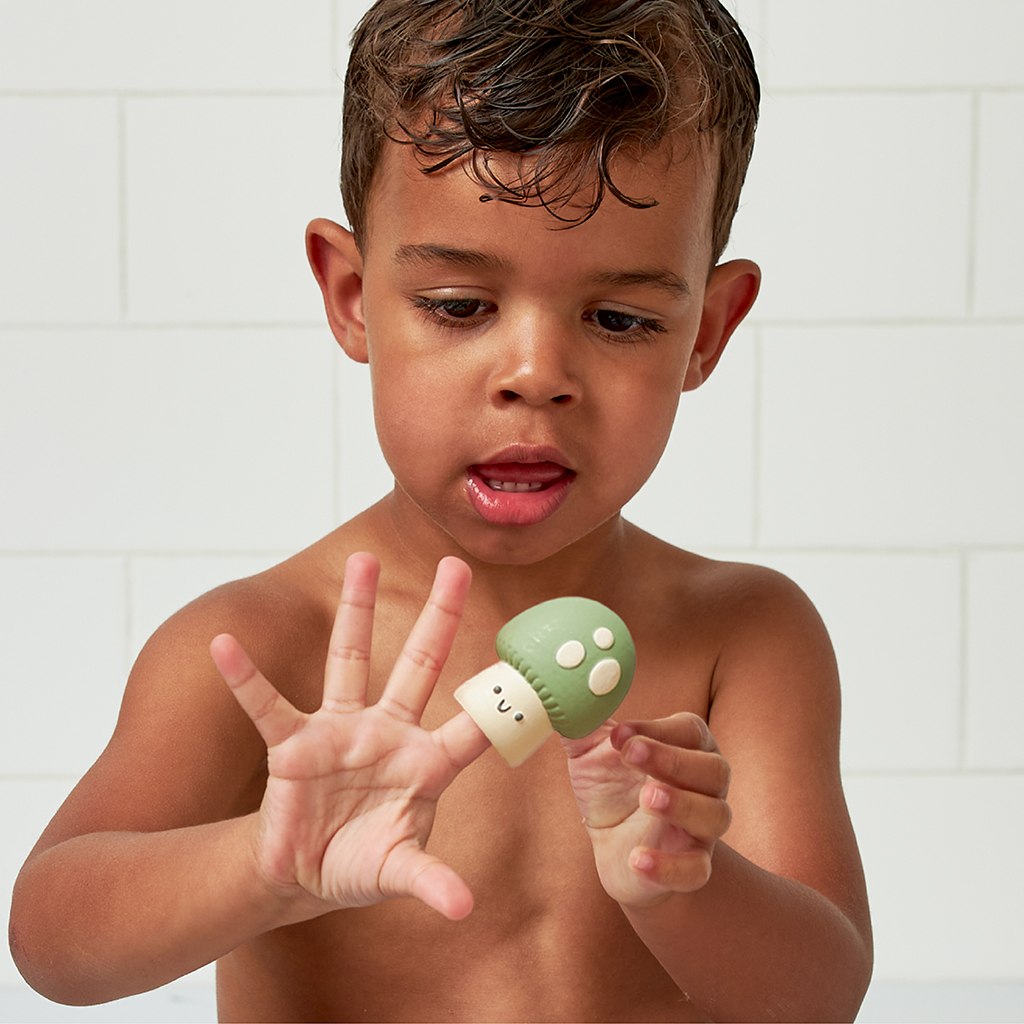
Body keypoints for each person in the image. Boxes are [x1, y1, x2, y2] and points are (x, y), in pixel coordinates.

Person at [9, 0, 873, 1019]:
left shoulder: (746, 636)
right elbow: (52, 943)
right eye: (461, 306)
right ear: (350, 294)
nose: (536, 374)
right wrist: (265, 860)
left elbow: (820, 996)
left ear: (707, 330)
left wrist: (684, 882)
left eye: (620, 317)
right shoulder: (261, 642)